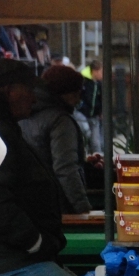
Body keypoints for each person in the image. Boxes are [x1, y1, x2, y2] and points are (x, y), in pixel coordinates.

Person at [0, 59, 68, 276]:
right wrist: (36, 242)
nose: (34, 98)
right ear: (9, 91)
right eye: (28, 89)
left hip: (14, 258)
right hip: (7, 262)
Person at [20, 65, 92, 215]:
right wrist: (83, 208)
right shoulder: (60, 121)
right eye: (77, 92)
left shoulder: (25, 114)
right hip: (57, 205)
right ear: (66, 93)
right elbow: (65, 168)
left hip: (29, 203)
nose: (79, 99)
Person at [78, 59, 103, 153]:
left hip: (94, 116)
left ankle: (98, 158)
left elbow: (101, 98)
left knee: (96, 142)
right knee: (86, 136)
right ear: (95, 71)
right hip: (83, 115)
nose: (102, 74)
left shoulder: (99, 84)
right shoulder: (85, 82)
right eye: (101, 71)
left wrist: (100, 111)